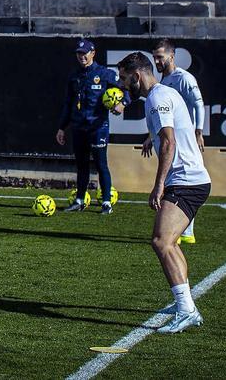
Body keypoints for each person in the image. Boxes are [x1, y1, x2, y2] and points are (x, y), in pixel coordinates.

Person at [117, 51, 211, 334]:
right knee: (169, 242)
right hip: (191, 180)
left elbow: (169, 143)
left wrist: (159, 185)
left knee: (161, 241)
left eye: (124, 79)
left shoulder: (157, 98)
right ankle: (184, 304)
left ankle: (186, 310)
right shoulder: (162, 95)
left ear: (137, 76)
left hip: (186, 181)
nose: (122, 85)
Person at [56, 38, 128, 214]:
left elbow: (127, 89)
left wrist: (123, 103)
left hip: (98, 127)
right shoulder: (74, 76)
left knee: (101, 165)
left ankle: (106, 203)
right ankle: (80, 200)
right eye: (78, 53)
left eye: (84, 53)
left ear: (93, 53)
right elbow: (68, 103)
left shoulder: (105, 74)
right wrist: (62, 127)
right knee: (82, 165)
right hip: (78, 127)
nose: (81, 56)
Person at [152, 38, 206, 245]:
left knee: (184, 182)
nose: (157, 61)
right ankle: (181, 230)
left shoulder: (184, 78)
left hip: (185, 140)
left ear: (172, 56)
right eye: (154, 57)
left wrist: (198, 131)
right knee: (173, 181)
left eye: (160, 57)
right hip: (172, 139)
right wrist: (149, 137)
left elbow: (198, 104)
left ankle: (186, 231)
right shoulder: (163, 82)